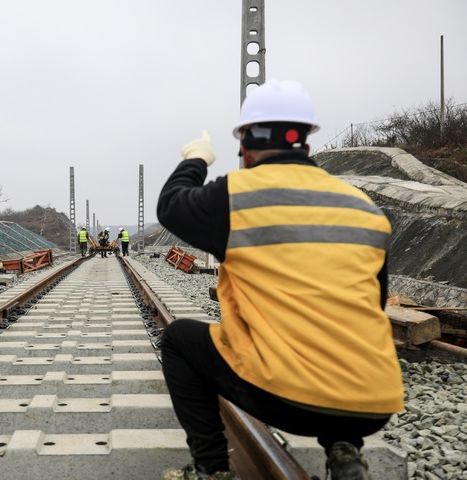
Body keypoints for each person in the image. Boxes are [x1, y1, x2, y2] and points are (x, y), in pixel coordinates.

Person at [156, 79, 404, 480]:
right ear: (306, 145)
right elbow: (372, 306)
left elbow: (171, 205)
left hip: (284, 400)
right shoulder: (364, 207)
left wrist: (197, 158)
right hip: (374, 404)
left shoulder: (234, 196)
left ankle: (213, 471)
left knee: (179, 340)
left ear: (245, 148)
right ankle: (344, 453)